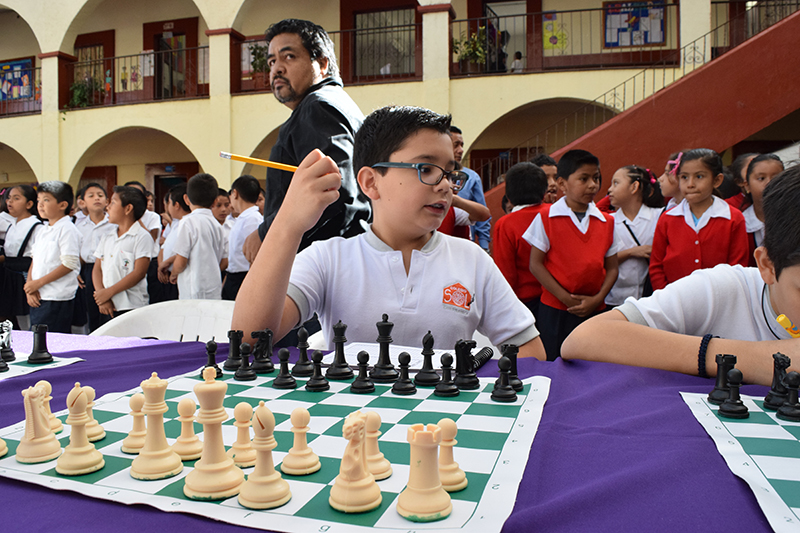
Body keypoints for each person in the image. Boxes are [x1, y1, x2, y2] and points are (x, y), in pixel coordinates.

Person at [232, 105, 545, 358]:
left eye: (450, 173)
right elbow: (250, 337)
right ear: (370, 182)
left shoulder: (471, 260)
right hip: (350, 428)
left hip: (444, 429)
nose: (445, 185)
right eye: (426, 169)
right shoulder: (330, 259)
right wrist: (288, 223)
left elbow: (529, 348)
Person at [562, 166, 800, 386]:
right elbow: (583, 339)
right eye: (684, 176)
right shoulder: (721, 289)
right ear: (766, 266)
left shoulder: (730, 217)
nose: (690, 184)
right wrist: (751, 358)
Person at [242, 19, 371, 264]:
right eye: (271, 61)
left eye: (288, 57)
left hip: (322, 270)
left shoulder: (318, 107)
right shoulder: (334, 103)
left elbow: (336, 192)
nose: (276, 69)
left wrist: (267, 233)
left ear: (322, 64)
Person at [523, 149, 619, 360]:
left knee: (592, 363)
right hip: (556, 309)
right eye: (583, 179)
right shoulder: (547, 217)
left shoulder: (607, 222)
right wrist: (565, 298)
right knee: (555, 362)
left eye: (596, 178)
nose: (593, 185)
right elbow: (536, 265)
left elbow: (612, 267)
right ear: (562, 184)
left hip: (595, 308)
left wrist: (598, 299)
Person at [649, 148, 748, 290]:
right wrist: (666, 297)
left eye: (699, 177)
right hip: (675, 300)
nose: (690, 184)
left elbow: (737, 266)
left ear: (717, 180)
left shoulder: (733, 218)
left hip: (719, 299)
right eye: (684, 177)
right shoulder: (667, 219)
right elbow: (656, 265)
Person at [492, 162, 548, 322]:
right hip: (556, 298)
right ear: (544, 192)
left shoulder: (505, 224)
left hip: (525, 302)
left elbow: (506, 272)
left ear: (508, 196)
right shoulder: (554, 213)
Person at [24, 181, 81, 334]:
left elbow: (69, 264)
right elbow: (34, 259)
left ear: (63, 205)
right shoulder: (43, 229)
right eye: (39, 200)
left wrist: (38, 283)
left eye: (46, 200)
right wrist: (30, 286)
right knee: (36, 339)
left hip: (56, 297)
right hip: (39, 294)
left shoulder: (67, 229)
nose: (40, 205)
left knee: (49, 342)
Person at [605, 166, 664, 306]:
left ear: (634, 187)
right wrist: (631, 252)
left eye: (616, 183)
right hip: (615, 300)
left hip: (651, 300)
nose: (610, 189)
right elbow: (601, 262)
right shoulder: (608, 221)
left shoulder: (659, 217)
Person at [92, 186, 151, 323]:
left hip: (131, 306)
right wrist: (102, 296)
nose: (108, 207)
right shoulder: (107, 237)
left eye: (113, 203)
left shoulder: (141, 236)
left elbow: (139, 272)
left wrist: (109, 292)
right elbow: (97, 269)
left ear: (128, 209)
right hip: (107, 305)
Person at [170, 173, 227, 300]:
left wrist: (173, 273)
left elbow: (181, 261)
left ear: (186, 199)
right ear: (215, 201)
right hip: (213, 289)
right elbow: (224, 260)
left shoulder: (188, 222)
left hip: (193, 290)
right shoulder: (218, 225)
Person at [1, 185, 42, 330]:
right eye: (9, 198)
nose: (10, 201)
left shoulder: (37, 226)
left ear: (29, 204)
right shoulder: (12, 225)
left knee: (27, 319)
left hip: (24, 276)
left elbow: (37, 257)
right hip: (9, 276)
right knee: (12, 320)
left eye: (16, 198)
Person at [74, 182, 114, 332]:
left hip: (108, 269)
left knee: (108, 309)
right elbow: (76, 252)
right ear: (82, 202)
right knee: (90, 310)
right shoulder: (79, 227)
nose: (96, 198)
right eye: (91, 196)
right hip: (88, 270)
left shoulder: (113, 224)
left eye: (100, 195)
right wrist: (76, 271)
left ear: (107, 201)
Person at [449, 126, 491, 251]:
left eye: (462, 145)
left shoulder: (472, 177)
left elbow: (483, 214)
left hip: (464, 244)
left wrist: (484, 246)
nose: (461, 150)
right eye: (456, 145)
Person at [222, 175, 263, 301]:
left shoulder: (253, 219)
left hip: (244, 277)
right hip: (234, 276)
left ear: (235, 193)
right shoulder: (243, 217)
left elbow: (255, 254)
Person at [740, 154, 784, 267]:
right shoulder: (740, 222)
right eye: (761, 178)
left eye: (776, 178)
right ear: (747, 186)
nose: (769, 184)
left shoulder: (793, 217)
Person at [123, 181, 163, 303]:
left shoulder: (152, 216)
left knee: (153, 300)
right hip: (128, 262)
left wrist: (136, 217)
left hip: (149, 262)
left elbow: (151, 239)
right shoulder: (120, 216)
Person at [156, 184, 190, 301]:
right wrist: (161, 266)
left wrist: (169, 267)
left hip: (177, 277)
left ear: (176, 205)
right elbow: (163, 248)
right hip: (167, 275)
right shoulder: (175, 224)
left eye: (169, 203)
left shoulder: (187, 224)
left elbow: (184, 252)